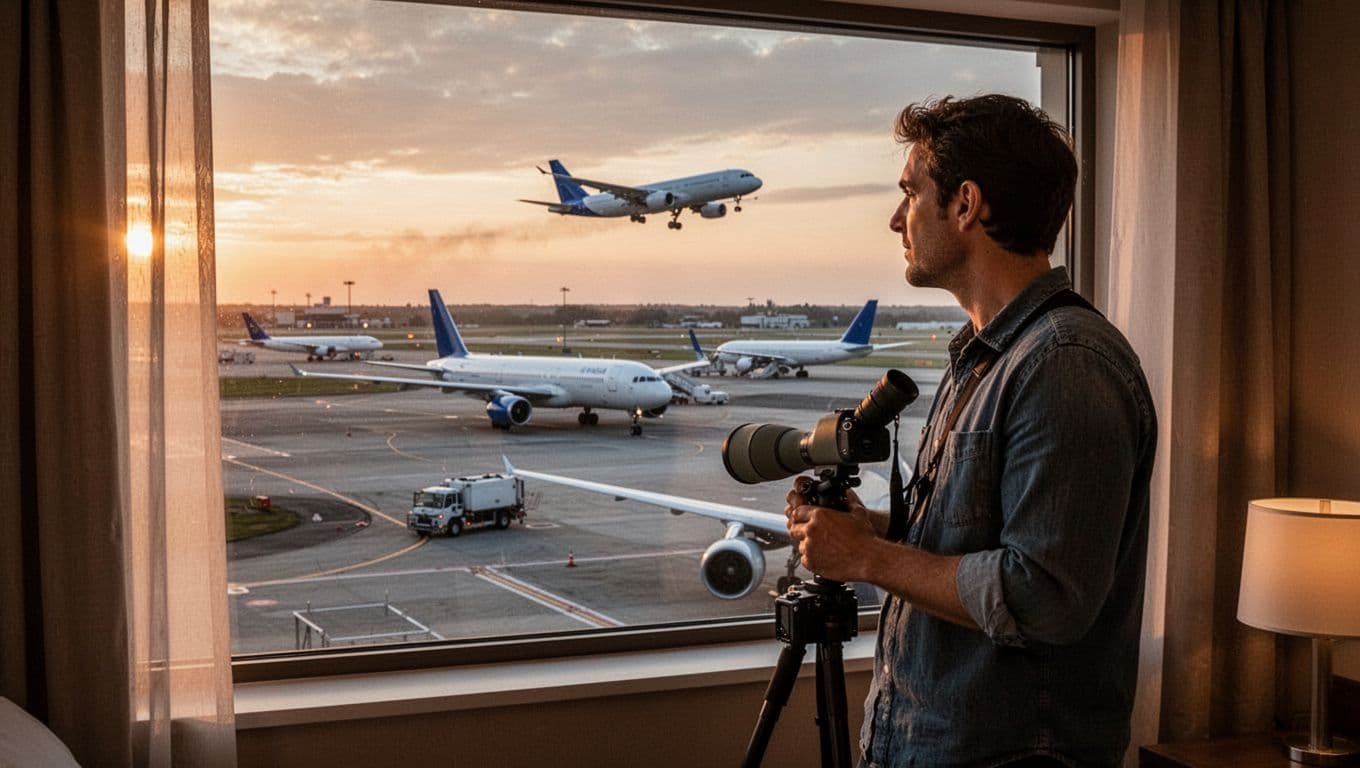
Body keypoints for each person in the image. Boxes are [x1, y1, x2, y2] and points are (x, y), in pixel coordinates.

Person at [784, 94, 1156, 768]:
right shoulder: (982, 357)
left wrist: (867, 560)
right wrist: (872, 531)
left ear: (965, 205)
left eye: (909, 193)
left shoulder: (1064, 365)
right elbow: (975, 546)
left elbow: (1044, 598)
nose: (897, 218)